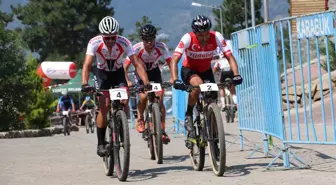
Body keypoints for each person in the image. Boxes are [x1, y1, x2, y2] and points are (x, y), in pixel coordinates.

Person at [169, 15, 243, 149]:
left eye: (206, 34)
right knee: (197, 86)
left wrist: (236, 75)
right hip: (189, 70)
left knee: (212, 99)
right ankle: (189, 114)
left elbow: (229, 57)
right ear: (195, 32)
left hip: (206, 70)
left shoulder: (216, 37)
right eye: (200, 35)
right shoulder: (188, 38)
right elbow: (174, 59)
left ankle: (214, 135)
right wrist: (175, 79)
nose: (204, 38)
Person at [81, 16, 150, 157]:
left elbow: (137, 64)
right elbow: (87, 65)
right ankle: (101, 143)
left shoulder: (124, 42)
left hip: (118, 73)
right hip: (102, 75)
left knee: (124, 98)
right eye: (108, 38)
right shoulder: (94, 43)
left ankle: (121, 125)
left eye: (113, 37)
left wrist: (146, 82)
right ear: (102, 36)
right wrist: (84, 83)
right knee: (104, 106)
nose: (111, 41)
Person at [124, 24, 172, 144]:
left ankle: (162, 129)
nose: (149, 42)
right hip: (140, 73)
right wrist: (127, 81)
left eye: (151, 39)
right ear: (142, 39)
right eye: (146, 39)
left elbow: (171, 62)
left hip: (154, 72)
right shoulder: (136, 48)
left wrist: (173, 77)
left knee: (160, 98)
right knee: (143, 96)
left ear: (155, 37)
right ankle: (140, 118)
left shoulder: (161, 47)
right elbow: (124, 66)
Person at [212, 43, 238, 112]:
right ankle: (235, 102)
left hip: (223, 72)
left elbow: (215, 68)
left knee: (221, 87)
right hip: (230, 71)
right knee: (232, 87)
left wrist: (213, 75)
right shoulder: (230, 57)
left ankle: (223, 105)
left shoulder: (219, 59)